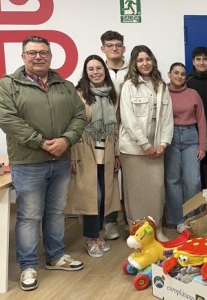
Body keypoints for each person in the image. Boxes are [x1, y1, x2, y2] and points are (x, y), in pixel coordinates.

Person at [0, 35, 86, 291]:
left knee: (56, 212)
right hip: (28, 162)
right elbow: (7, 120)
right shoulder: (8, 85)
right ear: (23, 56)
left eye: (43, 52)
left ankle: (56, 256)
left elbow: (79, 116)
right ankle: (28, 266)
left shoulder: (64, 85)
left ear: (50, 56)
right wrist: (41, 142)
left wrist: (66, 140)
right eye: (32, 52)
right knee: (30, 216)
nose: (38, 57)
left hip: (60, 159)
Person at [65, 55, 121, 258]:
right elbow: (70, 126)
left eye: (99, 68)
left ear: (105, 70)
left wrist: (116, 154)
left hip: (106, 152)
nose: (95, 72)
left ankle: (98, 236)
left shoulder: (111, 95)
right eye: (91, 69)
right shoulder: (78, 95)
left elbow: (115, 128)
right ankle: (90, 237)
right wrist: (71, 156)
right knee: (92, 197)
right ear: (86, 72)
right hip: (84, 152)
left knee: (103, 197)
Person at [119, 45, 173, 240]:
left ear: (153, 61)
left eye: (148, 59)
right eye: (140, 60)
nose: (145, 63)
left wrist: (163, 143)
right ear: (134, 63)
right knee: (135, 194)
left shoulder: (161, 85)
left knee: (157, 190)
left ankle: (156, 228)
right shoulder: (128, 86)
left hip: (156, 148)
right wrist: (145, 145)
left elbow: (167, 118)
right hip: (133, 149)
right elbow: (129, 120)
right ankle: (138, 232)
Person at [164, 62, 207, 233]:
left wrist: (203, 145)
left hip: (191, 136)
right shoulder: (162, 93)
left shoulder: (193, 94)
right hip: (170, 137)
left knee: (193, 181)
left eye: (182, 74)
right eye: (176, 73)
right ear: (169, 74)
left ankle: (192, 218)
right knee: (172, 180)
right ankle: (177, 220)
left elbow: (202, 120)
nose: (179, 76)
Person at [99, 30, 128, 240]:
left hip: (129, 131)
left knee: (131, 179)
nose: (114, 48)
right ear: (103, 49)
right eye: (110, 45)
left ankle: (132, 219)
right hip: (106, 134)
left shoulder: (133, 70)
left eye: (118, 45)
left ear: (124, 48)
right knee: (109, 178)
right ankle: (110, 221)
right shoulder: (97, 71)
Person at [185, 46, 207, 188]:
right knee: (191, 173)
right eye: (198, 59)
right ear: (193, 62)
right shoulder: (187, 82)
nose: (201, 62)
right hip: (191, 133)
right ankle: (194, 207)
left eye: (205, 59)